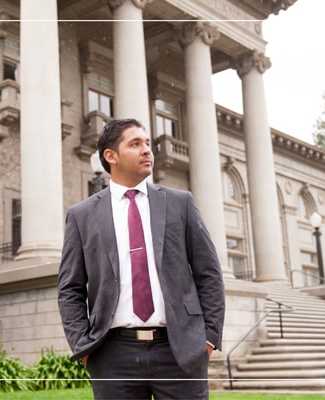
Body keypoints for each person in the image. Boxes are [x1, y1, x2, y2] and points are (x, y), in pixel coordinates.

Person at [57, 118, 225, 399]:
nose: (147, 150)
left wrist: (207, 339)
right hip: (112, 356)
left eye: (147, 143)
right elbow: (70, 289)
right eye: (135, 144)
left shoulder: (180, 203)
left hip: (180, 352)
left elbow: (209, 273)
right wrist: (84, 347)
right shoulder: (82, 216)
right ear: (111, 156)